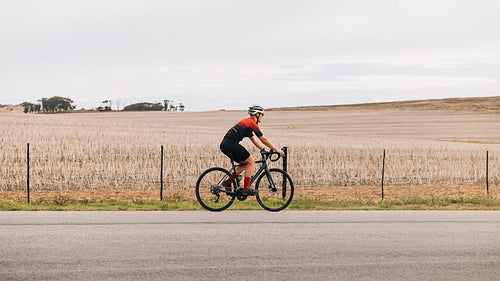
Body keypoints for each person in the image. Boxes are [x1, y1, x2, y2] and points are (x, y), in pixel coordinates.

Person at [220, 105, 285, 195]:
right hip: (231, 144)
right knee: (251, 161)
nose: (262, 116)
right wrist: (276, 149)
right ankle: (246, 189)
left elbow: (254, 140)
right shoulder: (251, 123)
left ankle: (228, 182)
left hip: (226, 144)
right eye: (262, 114)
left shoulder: (248, 123)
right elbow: (263, 139)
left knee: (244, 164)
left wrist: (264, 150)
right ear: (257, 114)